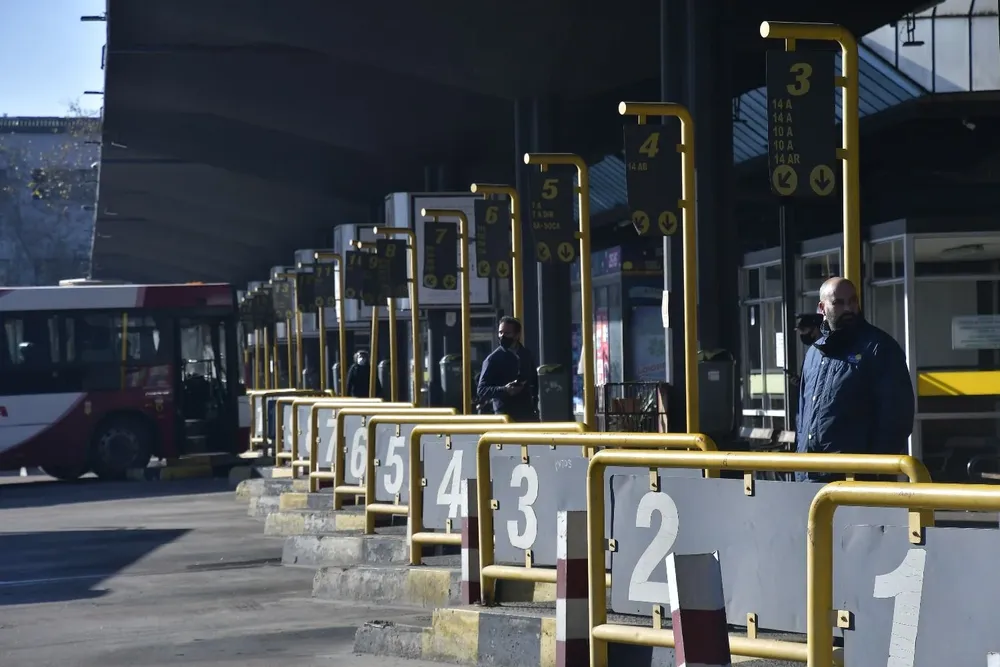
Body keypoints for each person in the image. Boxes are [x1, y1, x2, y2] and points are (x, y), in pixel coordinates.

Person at [795, 277, 915, 482]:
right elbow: (803, 413)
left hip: (856, 479)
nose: (848, 308)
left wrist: (875, 470)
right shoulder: (814, 354)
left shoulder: (878, 348)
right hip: (809, 475)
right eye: (839, 303)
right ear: (822, 308)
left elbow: (897, 416)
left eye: (852, 301)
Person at [477, 316, 539, 422]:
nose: (502, 336)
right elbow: (481, 390)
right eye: (500, 332)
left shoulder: (526, 354)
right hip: (504, 415)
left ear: (517, 335)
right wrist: (505, 389)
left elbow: (534, 381)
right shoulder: (493, 359)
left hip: (527, 413)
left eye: (507, 333)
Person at [784, 313, 823, 386]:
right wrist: (800, 382)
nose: (801, 334)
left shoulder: (826, 354)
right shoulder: (810, 354)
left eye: (803, 330)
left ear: (815, 329)